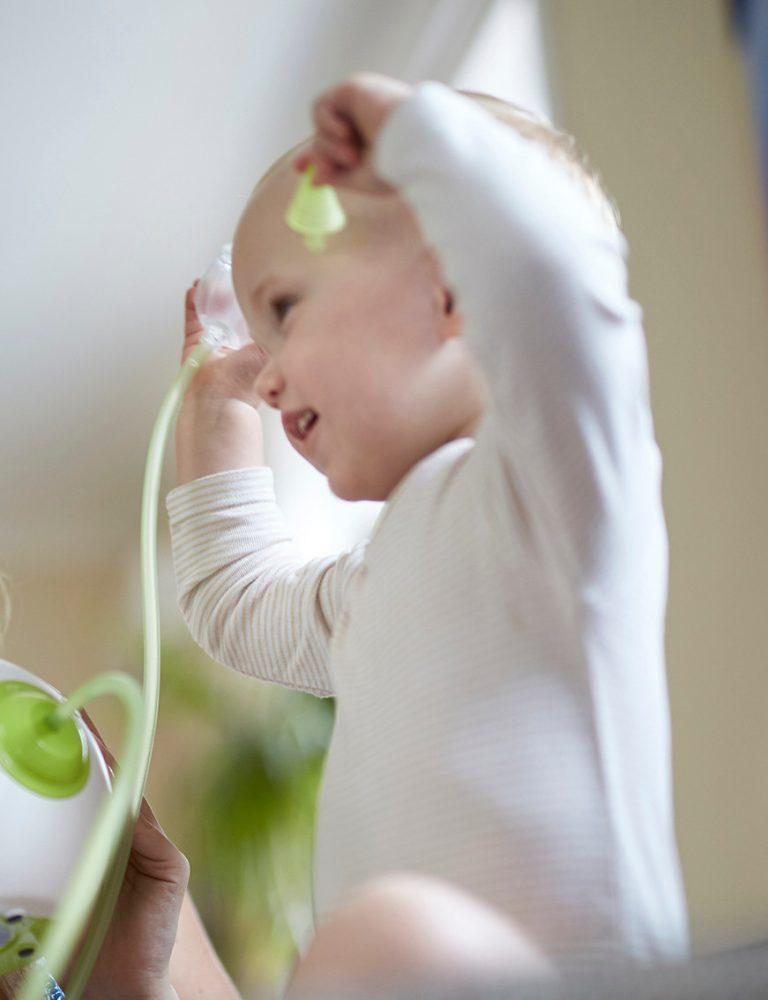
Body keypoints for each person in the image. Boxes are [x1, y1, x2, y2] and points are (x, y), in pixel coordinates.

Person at [166, 68, 689, 984]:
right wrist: (218, 408)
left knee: (381, 941)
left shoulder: (556, 493)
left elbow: (553, 285)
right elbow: (235, 601)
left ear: (453, 288)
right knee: (362, 949)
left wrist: (416, 137)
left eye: (285, 311)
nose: (271, 375)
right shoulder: (375, 583)